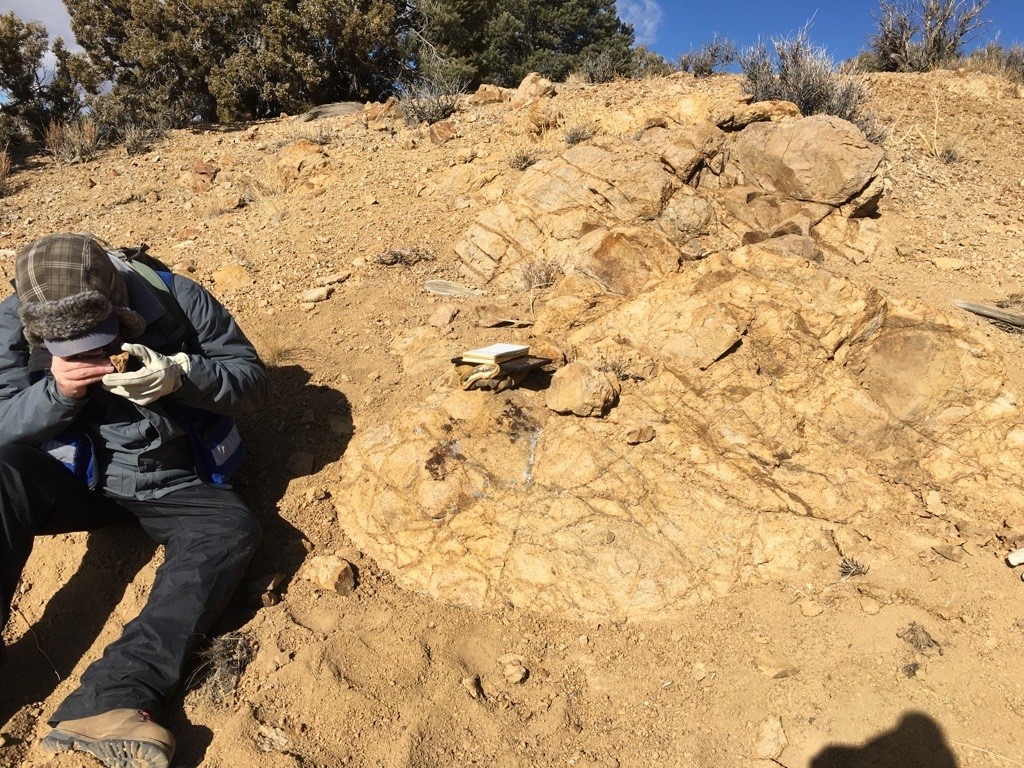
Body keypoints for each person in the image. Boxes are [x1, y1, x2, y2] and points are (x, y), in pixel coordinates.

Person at [0, 233, 268, 767]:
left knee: (229, 530)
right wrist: (57, 392)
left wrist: (180, 376)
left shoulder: (177, 297)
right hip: (73, 477)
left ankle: (114, 697)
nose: (94, 355)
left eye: (101, 336)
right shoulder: (11, 321)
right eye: (71, 347)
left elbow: (252, 383)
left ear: (117, 295)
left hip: (173, 480)